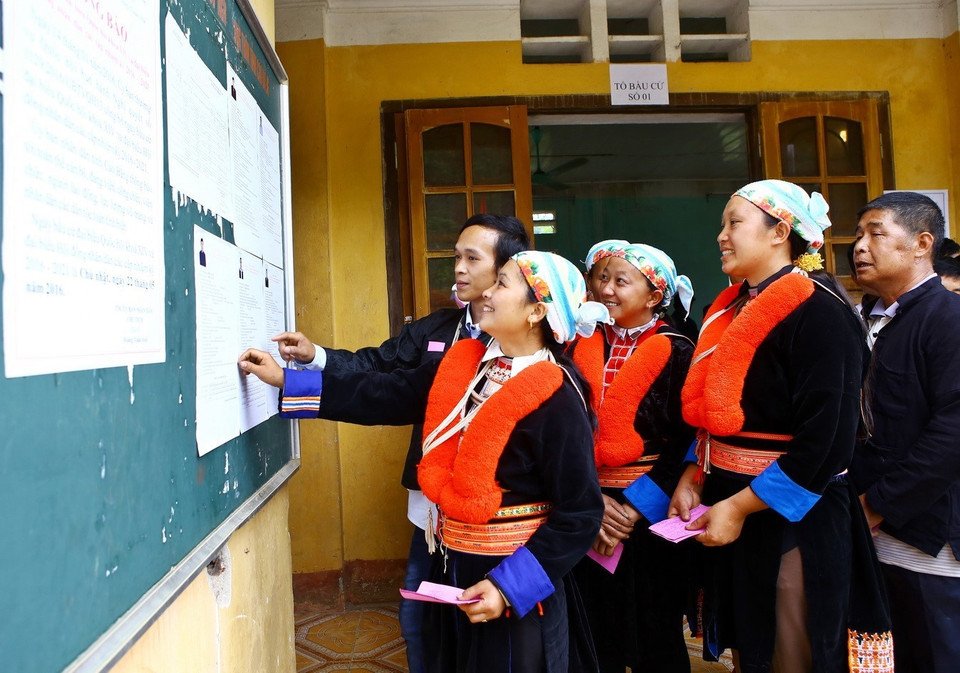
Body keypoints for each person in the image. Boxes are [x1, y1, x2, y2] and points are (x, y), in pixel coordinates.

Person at [239, 250, 608, 673]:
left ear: (536, 311)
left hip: (510, 584)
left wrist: (508, 588)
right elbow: (381, 392)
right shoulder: (468, 367)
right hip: (451, 564)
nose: (486, 290)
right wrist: (288, 379)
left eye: (502, 284)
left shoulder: (558, 395)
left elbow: (579, 513)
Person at [271, 213, 529, 673]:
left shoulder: (540, 361)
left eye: (473, 258)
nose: (460, 269)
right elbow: (381, 374)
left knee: (492, 631)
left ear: (508, 272)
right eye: (457, 257)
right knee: (419, 621)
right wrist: (311, 363)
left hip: (501, 519)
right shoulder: (439, 331)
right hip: (432, 511)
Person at [669, 179, 892, 673]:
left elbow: (828, 443)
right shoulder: (728, 309)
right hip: (730, 504)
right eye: (722, 225)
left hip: (793, 516)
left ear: (779, 232)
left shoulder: (820, 313)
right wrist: (693, 473)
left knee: (791, 648)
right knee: (752, 647)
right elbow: (716, 408)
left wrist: (741, 507)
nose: (722, 236)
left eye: (735, 223)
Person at [570, 240, 697, 672]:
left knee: (654, 624)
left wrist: (634, 507)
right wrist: (590, 502)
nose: (606, 289)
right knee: (594, 621)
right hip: (588, 502)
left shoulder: (680, 350)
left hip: (651, 509)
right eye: (600, 277)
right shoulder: (574, 345)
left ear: (655, 296)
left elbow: (687, 437)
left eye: (620, 280)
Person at [848, 191, 960, 673]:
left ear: (921, 243)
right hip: (870, 528)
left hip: (924, 533)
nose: (859, 246)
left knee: (934, 653)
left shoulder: (947, 318)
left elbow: (952, 433)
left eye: (875, 233)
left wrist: (880, 503)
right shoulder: (868, 319)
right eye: (857, 234)